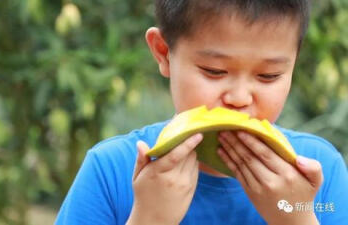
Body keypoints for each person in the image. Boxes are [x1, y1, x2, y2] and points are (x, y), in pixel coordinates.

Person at [55, 1, 348, 224]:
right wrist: (148, 218)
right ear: (163, 52)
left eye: (268, 75)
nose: (239, 98)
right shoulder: (110, 171)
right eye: (214, 71)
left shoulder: (319, 172)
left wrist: (296, 216)